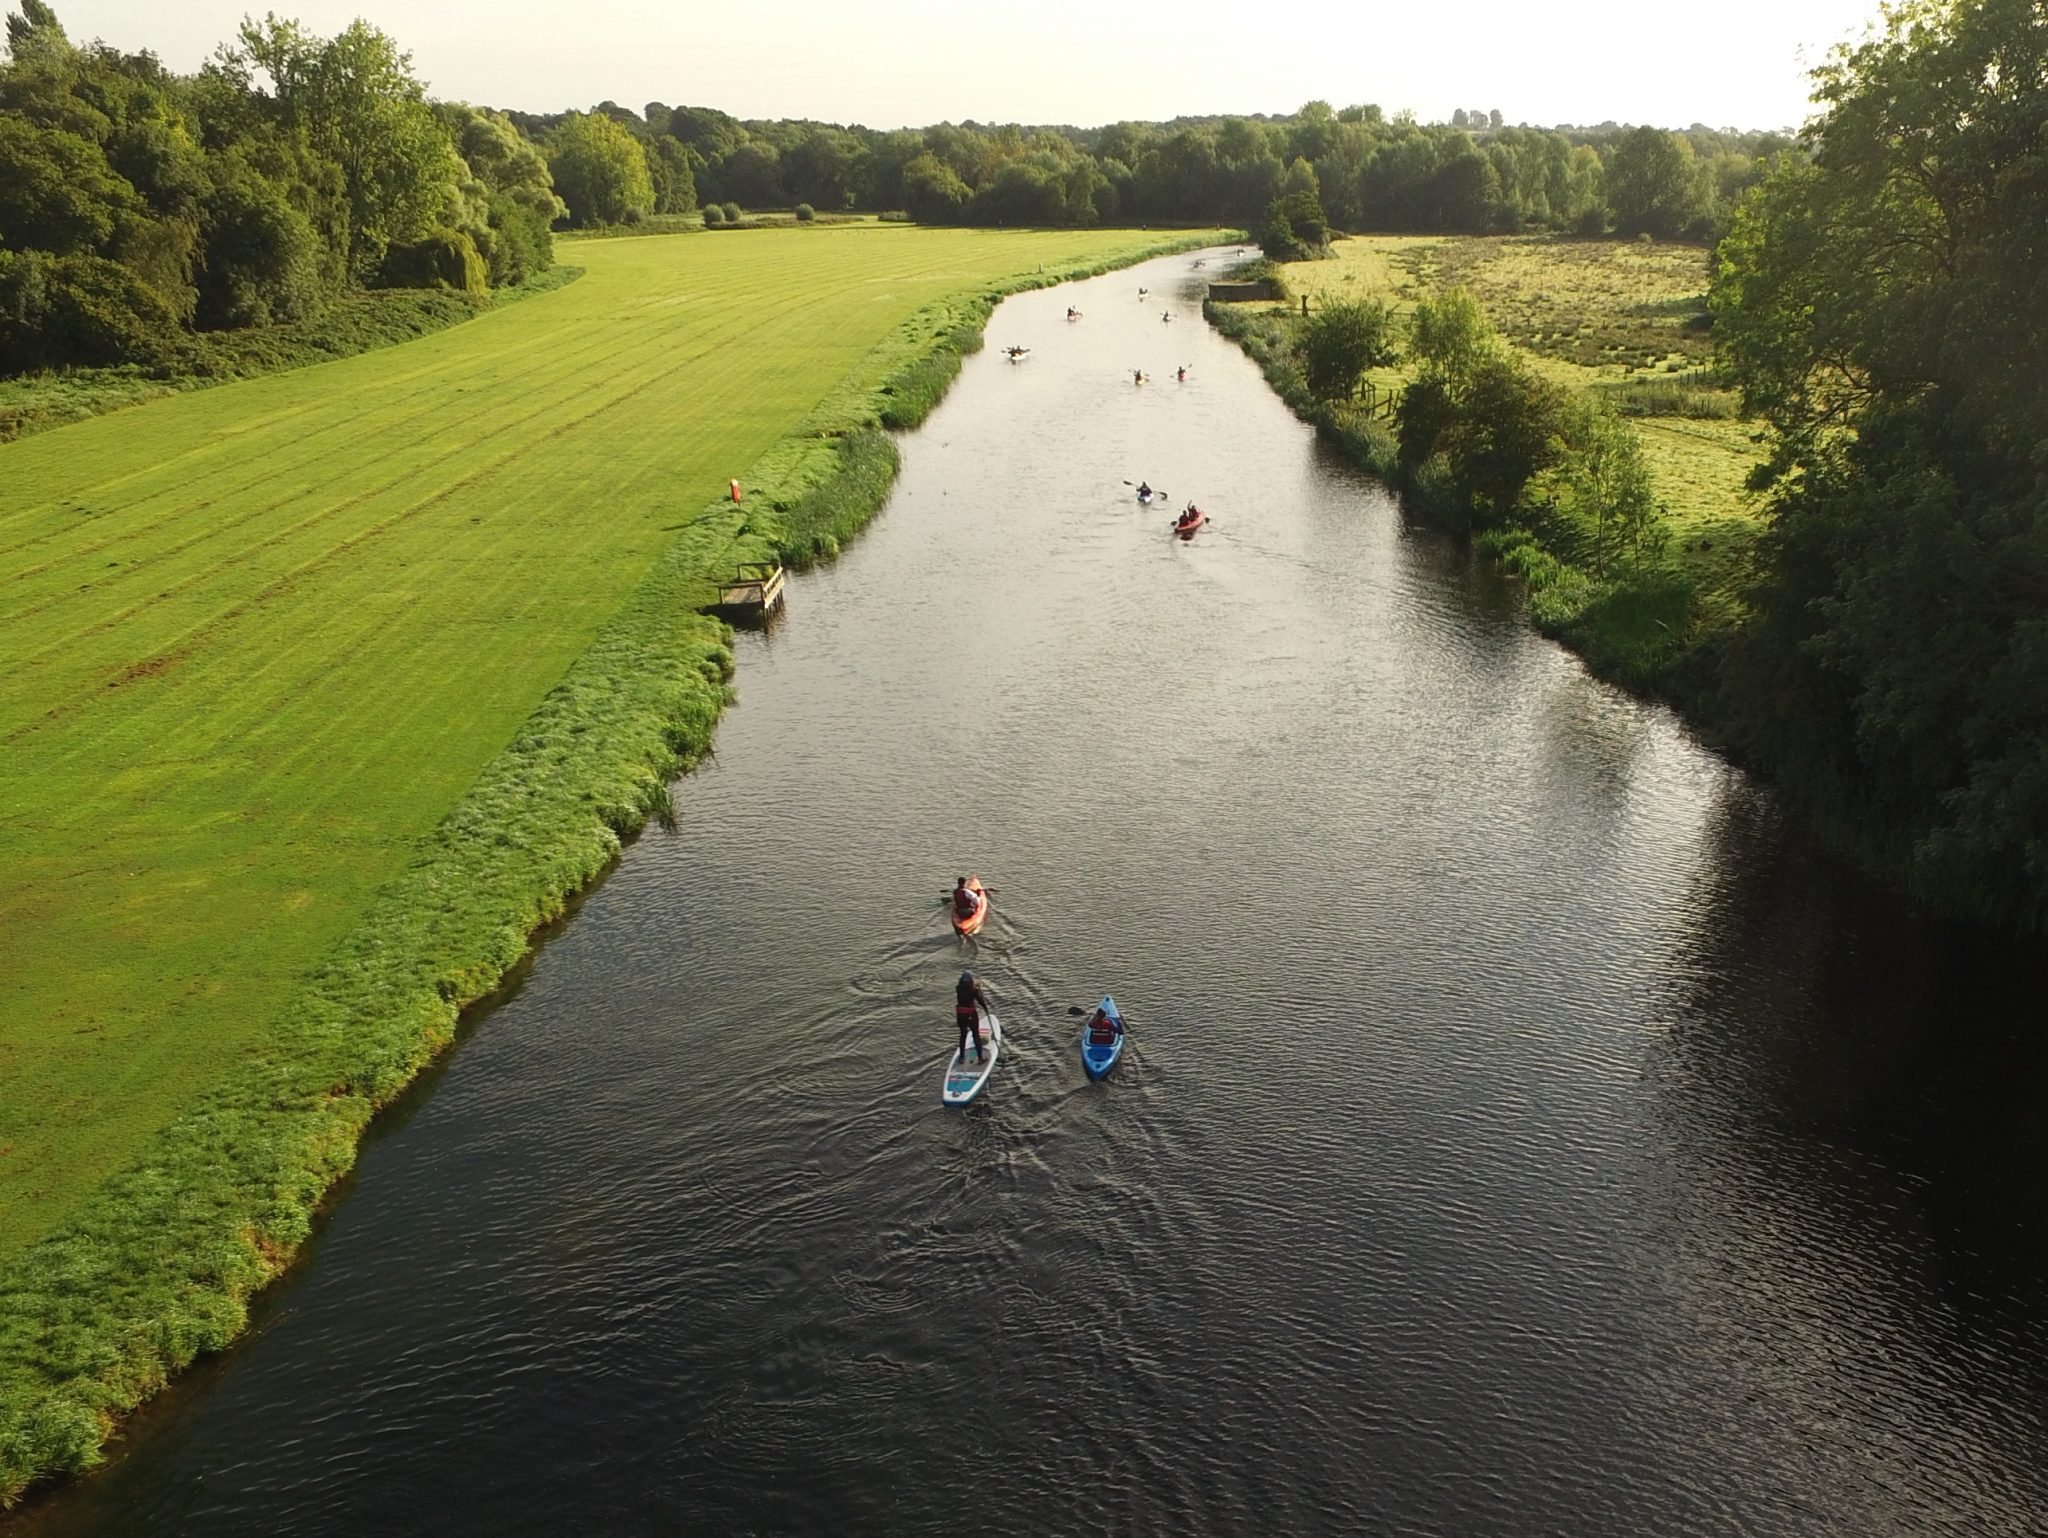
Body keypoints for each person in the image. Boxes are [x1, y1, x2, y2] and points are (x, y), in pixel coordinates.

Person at [955, 969, 991, 1063]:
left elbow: (966, 988)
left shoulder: (958, 988)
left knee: (963, 1035)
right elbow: (980, 1001)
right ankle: (980, 1058)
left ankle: (962, 1058)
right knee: (976, 1035)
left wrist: (975, 987)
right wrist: (985, 1008)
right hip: (971, 1015)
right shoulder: (973, 991)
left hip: (960, 1014)